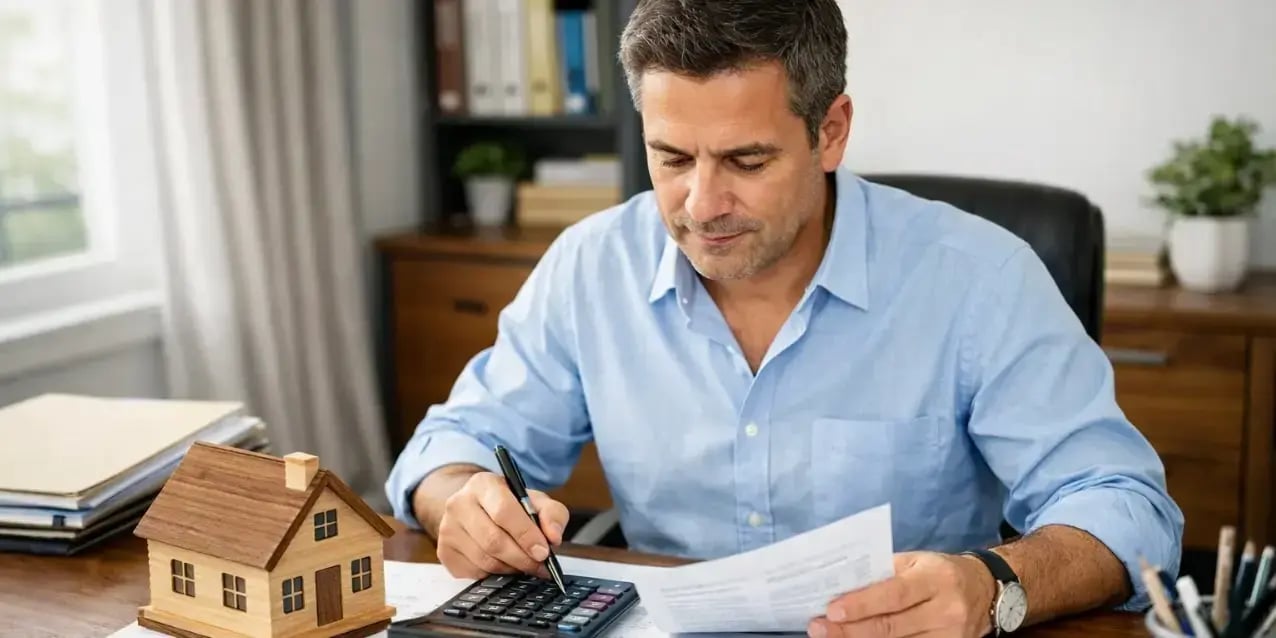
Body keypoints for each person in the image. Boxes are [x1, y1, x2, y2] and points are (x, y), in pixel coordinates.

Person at [387, 1, 1184, 636]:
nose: (701, 206)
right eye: (671, 158)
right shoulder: (592, 265)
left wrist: (995, 585)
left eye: (746, 160)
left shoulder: (978, 277)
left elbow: (1125, 506)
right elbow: (448, 448)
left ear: (830, 131)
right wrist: (464, 499)